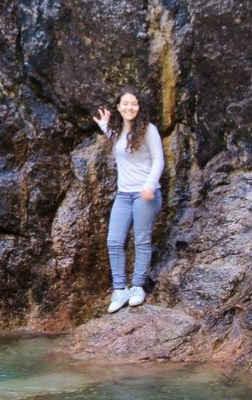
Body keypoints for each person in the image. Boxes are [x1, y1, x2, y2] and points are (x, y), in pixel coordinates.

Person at [91, 87, 164, 313]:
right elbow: (117, 141)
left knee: (141, 240)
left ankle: (138, 287)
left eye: (133, 104)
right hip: (123, 195)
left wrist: (150, 186)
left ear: (139, 107)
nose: (129, 108)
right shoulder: (117, 130)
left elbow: (158, 160)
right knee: (114, 241)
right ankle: (120, 289)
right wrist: (104, 125)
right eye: (125, 104)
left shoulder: (149, 130)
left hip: (145, 193)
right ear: (119, 107)